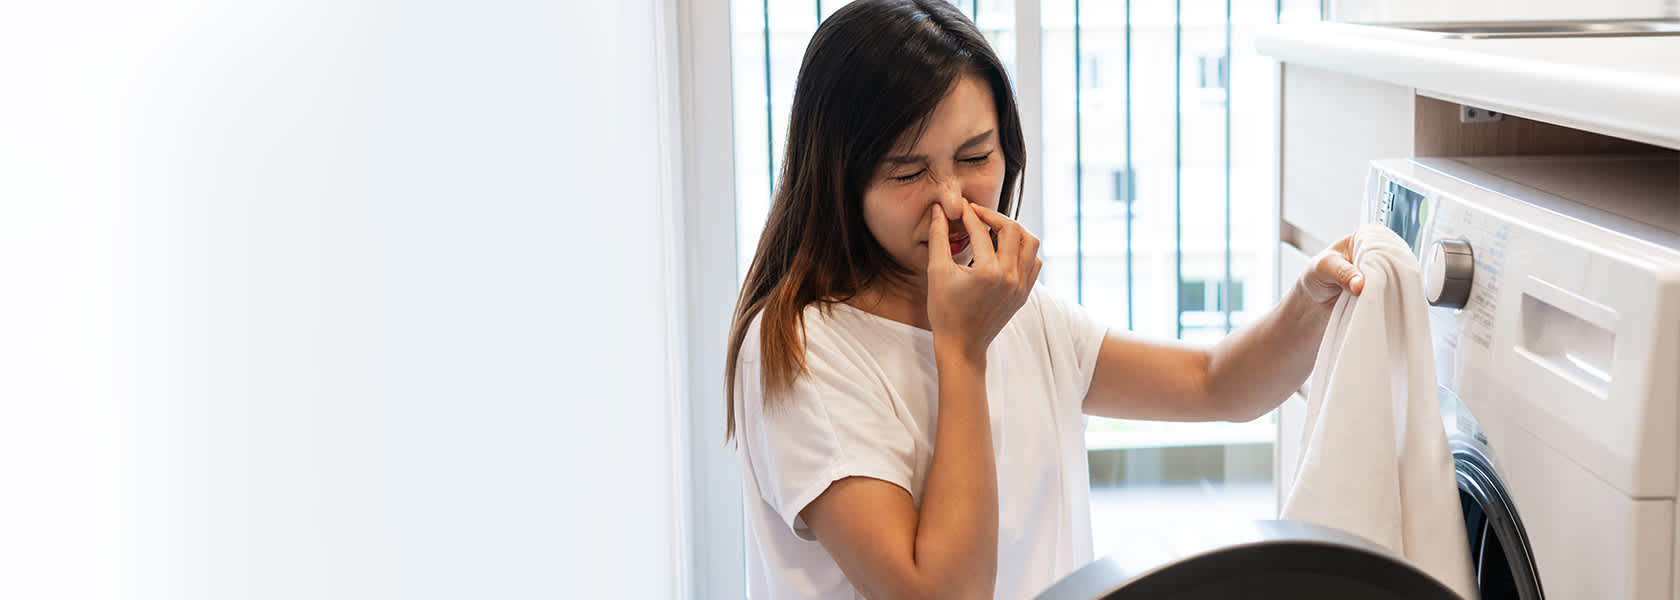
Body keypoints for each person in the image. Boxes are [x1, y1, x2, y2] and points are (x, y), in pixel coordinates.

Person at [723, 1, 1365, 598]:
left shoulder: (1016, 309)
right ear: (838, 177)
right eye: (908, 172)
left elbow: (1214, 384)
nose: (952, 199)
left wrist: (1310, 299)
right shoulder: (802, 347)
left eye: (976, 155)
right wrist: (963, 349)